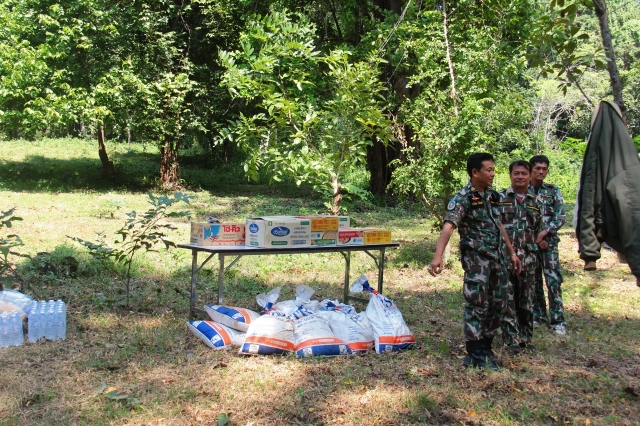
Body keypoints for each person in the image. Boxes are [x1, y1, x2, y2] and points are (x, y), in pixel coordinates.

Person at [429, 153, 522, 371]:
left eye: (493, 170)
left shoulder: (492, 196)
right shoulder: (463, 197)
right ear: (475, 172)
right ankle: (474, 351)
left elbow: (499, 225)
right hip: (477, 260)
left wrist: (511, 253)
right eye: (488, 170)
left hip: (497, 258)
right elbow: (449, 226)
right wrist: (437, 256)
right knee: (477, 303)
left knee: (499, 302)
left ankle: (485, 346)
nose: (492, 174)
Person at [498, 161, 543, 354]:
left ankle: (525, 337)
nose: (520, 177)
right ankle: (511, 341)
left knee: (526, 300)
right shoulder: (499, 198)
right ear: (510, 175)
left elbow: (539, 229)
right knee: (507, 300)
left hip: (528, 259)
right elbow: (495, 226)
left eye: (524, 173)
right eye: (516, 173)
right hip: (505, 257)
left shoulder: (537, 202)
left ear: (530, 176)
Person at [529, 155, 567, 335]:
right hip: (530, 245)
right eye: (537, 168)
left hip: (549, 244)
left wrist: (544, 233)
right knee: (534, 280)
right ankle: (538, 315)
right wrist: (535, 238)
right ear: (531, 170)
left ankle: (558, 320)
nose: (541, 172)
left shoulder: (553, 191)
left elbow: (560, 216)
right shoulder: (523, 190)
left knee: (553, 281)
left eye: (544, 169)